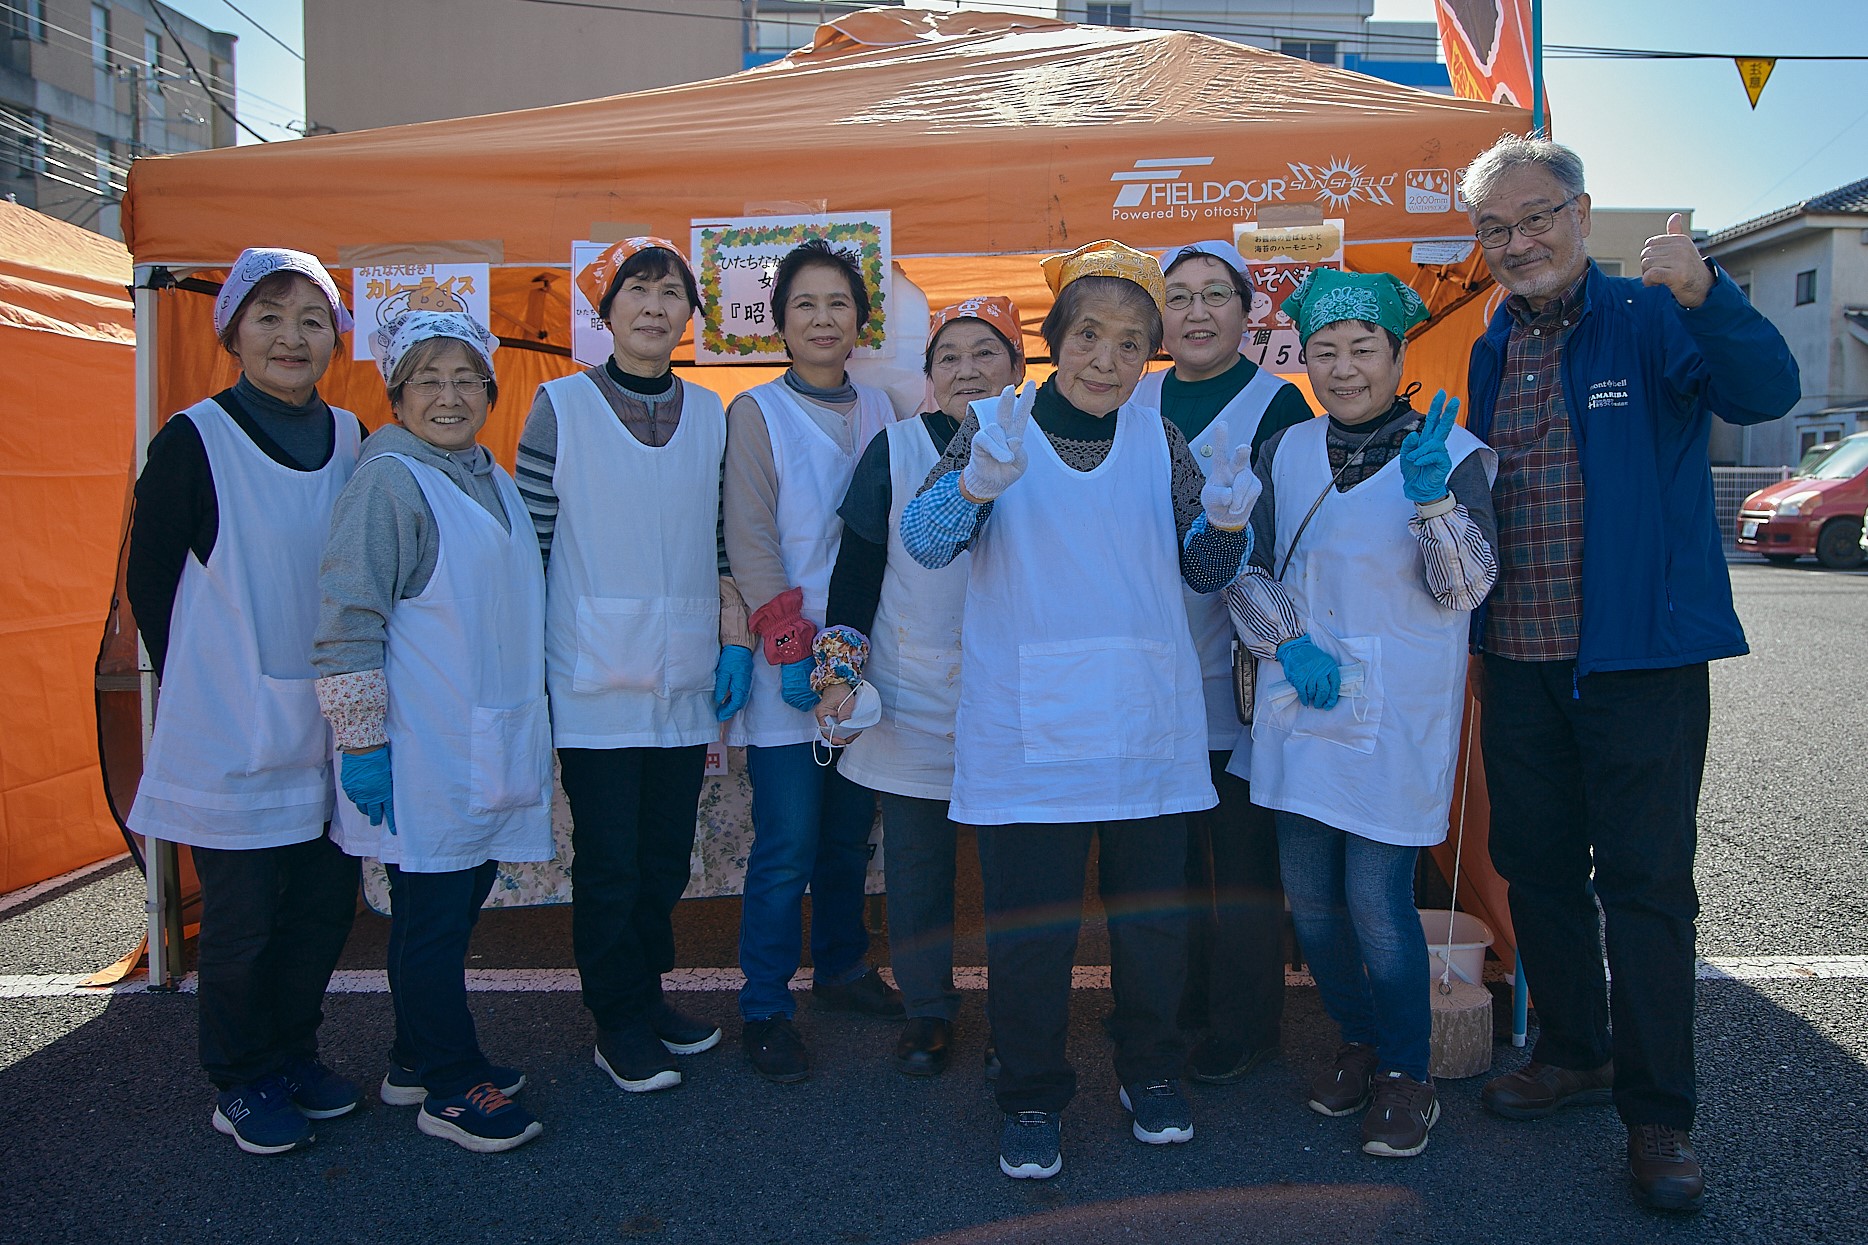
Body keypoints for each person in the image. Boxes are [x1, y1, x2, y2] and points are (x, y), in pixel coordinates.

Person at [1459, 135, 1799, 1211]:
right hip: (1515, 656)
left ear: (1579, 212)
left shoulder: (1653, 312)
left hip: (1637, 658)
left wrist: (1707, 291)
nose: (1518, 243)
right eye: (1494, 229)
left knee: (1646, 888)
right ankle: (1571, 1051)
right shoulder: (1488, 341)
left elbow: (1764, 389)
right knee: (1538, 866)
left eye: (1536, 217)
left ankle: (1658, 1117)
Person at [901, 239, 1256, 1180]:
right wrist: (974, 482)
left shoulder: (1161, 439)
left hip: (1147, 723)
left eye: (1133, 342)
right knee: (1032, 930)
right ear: (1055, 339)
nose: (1108, 357)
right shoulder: (999, 428)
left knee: (1153, 923)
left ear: (1152, 356)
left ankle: (1151, 1069)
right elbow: (926, 543)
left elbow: (1201, 573)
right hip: (1030, 733)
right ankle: (1028, 1089)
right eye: (1090, 334)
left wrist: (1225, 521)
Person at [1226, 268, 1499, 1160]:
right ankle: (1355, 1036)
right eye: (1324, 352)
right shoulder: (1289, 449)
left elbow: (1465, 588)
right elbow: (1248, 568)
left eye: (1362, 350)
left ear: (1396, 354)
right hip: (1302, 704)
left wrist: (1434, 499)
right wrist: (1283, 642)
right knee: (1309, 897)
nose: (1344, 369)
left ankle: (1406, 1073)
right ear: (1303, 359)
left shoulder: (1448, 448)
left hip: (1398, 713)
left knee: (1376, 900)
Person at [126, 247, 364, 1156]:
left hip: (331, 723)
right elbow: (151, 589)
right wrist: (215, 684)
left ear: (336, 337)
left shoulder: (351, 436)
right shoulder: (194, 439)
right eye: (269, 316)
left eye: (311, 318)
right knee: (241, 922)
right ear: (231, 330)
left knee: (318, 910)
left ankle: (293, 1051)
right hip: (231, 729)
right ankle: (240, 1077)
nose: (291, 337)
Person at [313, 311, 552, 1153]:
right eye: (428, 380)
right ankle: (450, 1087)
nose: (449, 396)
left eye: (466, 380)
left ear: (490, 389)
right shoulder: (391, 479)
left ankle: (416, 1055)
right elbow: (347, 615)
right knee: (433, 920)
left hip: (479, 733)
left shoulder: (480, 469)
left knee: (442, 908)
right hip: (424, 744)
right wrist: (362, 739)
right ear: (397, 393)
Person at [516, 238, 746, 1095]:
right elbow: (528, 546)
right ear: (605, 311)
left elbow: (724, 543)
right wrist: (524, 673)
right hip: (590, 681)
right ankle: (616, 1021)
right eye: (637, 292)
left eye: (671, 293)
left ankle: (648, 997)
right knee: (609, 860)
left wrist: (734, 638)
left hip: (684, 676)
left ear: (691, 314)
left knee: (664, 855)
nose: (655, 307)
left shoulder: (713, 414)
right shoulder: (559, 406)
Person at [821, 295, 1026, 1078]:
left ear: (1016, 366)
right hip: (915, 685)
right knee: (916, 867)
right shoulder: (896, 448)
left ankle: (1020, 1015)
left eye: (986, 352)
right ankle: (928, 1011)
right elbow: (857, 572)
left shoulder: (1043, 446)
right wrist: (839, 672)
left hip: (1021, 693)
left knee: (1019, 869)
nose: (967, 368)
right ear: (930, 375)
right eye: (950, 357)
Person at [1131, 240, 1314, 1083]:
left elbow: (1283, 545)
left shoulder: (1278, 405)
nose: (1197, 312)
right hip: (1150, 670)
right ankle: (1173, 1007)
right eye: (1179, 296)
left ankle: (1245, 1022)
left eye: (1215, 295)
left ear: (1250, 313)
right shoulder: (1131, 397)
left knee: (1238, 857)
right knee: (1166, 861)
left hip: (1240, 669)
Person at [721, 238, 904, 1083]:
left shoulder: (883, 411)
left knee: (844, 833)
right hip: (784, 657)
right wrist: (787, 641)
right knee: (786, 839)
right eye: (805, 305)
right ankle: (764, 1005)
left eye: (838, 303)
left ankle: (840, 967)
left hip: (861, 654)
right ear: (780, 324)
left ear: (859, 322)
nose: (823, 318)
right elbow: (749, 532)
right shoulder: (755, 413)